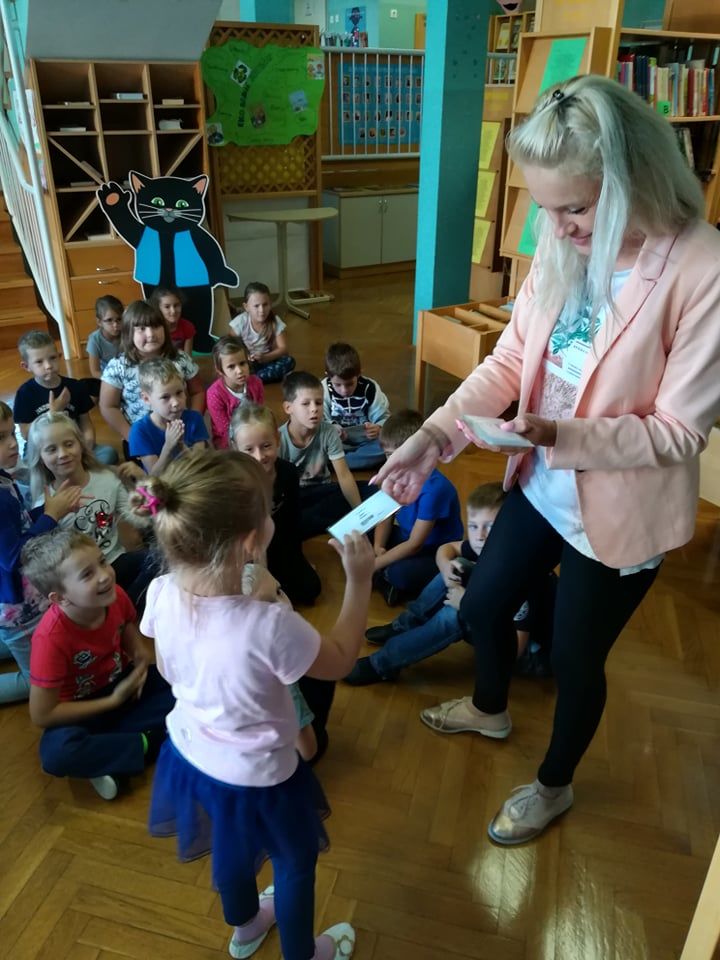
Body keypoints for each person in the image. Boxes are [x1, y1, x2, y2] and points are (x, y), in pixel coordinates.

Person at [373, 74, 720, 846]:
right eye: (544, 207)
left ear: (635, 179)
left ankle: (554, 785)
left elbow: (677, 433)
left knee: (573, 657)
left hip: (619, 512)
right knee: (482, 606)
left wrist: (560, 435)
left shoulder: (702, 268)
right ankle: (490, 710)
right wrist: (434, 434)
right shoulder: (562, 243)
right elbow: (508, 361)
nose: (555, 228)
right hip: (539, 482)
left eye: (576, 208)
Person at [128, 447, 375, 960]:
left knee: (231, 848)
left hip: (190, 757)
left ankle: (244, 928)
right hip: (261, 777)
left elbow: (173, 660)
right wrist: (359, 579)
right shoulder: (270, 625)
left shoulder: (160, 591)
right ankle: (301, 953)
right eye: (267, 509)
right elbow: (340, 659)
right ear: (251, 539)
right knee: (295, 862)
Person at [22, 529, 173, 801]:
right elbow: (42, 715)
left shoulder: (114, 595)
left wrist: (140, 658)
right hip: (82, 709)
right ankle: (152, 739)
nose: (105, 575)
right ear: (60, 598)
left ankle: (114, 753)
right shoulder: (49, 639)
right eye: (87, 574)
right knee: (57, 753)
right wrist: (113, 701)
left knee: (182, 682)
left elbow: (127, 628)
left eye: (102, 562)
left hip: (123, 685)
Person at [231, 404, 330, 762]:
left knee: (310, 588)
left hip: (280, 545)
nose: (260, 456)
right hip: (248, 557)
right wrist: (263, 576)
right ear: (235, 448)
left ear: (277, 440)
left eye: (266, 446)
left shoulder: (286, 472)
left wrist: (296, 561)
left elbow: (291, 524)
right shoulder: (236, 485)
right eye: (249, 449)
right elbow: (244, 544)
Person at [26, 412, 155, 614]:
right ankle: (116, 611)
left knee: (159, 559)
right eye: (51, 449)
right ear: (40, 458)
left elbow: (143, 519)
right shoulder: (43, 504)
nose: (62, 454)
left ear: (81, 444)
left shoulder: (106, 479)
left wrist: (141, 485)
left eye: (69, 444)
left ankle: (118, 610)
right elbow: (48, 563)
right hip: (80, 579)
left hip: (113, 561)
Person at [0, 401, 81, 704]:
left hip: (24, 601)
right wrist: (51, 516)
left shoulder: (4, 479)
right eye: (1, 438)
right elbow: (13, 557)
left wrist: (46, 512)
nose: (13, 444)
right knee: (44, 682)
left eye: (11, 434)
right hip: (18, 610)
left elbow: (18, 528)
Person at [373, 410, 463, 604]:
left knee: (400, 574)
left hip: (434, 551)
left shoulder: (434, 488)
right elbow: (385, 516)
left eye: (395, 455)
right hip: (407, 537)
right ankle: (384, 578)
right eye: (387, 455)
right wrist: (378, 547)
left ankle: (388, 579)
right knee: (361, 534)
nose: (391, 462)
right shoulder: (393, 475)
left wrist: (376, 563)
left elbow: (416, 544)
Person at [99, 300, 205, 452]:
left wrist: (193, 425)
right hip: (141, 440)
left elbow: (197, 391)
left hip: (181, 435)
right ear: (129, 333)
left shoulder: (180, 358)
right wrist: (133, 438)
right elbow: (108, 406)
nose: (150, 334)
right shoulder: (118, 366)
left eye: (156, 326)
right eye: (141, 329)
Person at [279, 371, 364, 540]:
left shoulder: (328, 432)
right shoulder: (278, 439)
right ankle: (327, 524)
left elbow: (344, 476)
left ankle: (327, 523)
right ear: (288, 408)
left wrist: (360, 513)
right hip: (296, 496)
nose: (314, 409)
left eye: (318, 402)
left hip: (323, 491)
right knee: (289, 520)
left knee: (371, 490)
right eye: (306, 404)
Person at [14, 330, 118, 465]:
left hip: (72, 446)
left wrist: (87, 447)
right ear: (26, 366)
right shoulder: (25, 393)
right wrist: (53, 412)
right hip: (41, 450)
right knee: (29, 466)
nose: (48, 366)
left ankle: (70, 469)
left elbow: (86, 424)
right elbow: (25, 434)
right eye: (39, 362)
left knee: (108, 454)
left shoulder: (75, 386)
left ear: (59, 356)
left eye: (52, 358)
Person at [128, 359, 209, 475]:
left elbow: (199, 465)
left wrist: (181, 445)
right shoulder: (139, 430)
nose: (176, 403)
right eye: (165, 397)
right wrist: (169, 446)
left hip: (192, 480)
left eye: (179, 392)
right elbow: (154, 475)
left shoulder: (194, 419)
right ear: (146, 399)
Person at [322, 341, 390, 470]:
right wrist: (332, 428)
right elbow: (320, 420)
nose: (344, 390)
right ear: (328, 375)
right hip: (336, 443)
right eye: (337, 385)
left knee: (389, 444)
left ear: (359, 375)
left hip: (367, 441)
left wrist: (379, 427)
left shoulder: (371, 389)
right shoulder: (323, 390)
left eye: (349, 384)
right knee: (313, 444)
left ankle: (337, 463)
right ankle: (347, 462)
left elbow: (384, 417)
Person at [229, 281, 295, 383]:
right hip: (247, 363)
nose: (261, 310)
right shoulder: (239, 323)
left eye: (265, 305)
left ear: (270, 304)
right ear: (246, 307)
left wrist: (265, 357)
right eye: (256, 306)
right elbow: (230, 346)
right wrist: (246, 356)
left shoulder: (275, 322)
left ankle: (253, 379)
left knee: (289, 361)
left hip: (268, 360)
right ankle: (260, 377)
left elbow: (283, 349)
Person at [207, 336, 264, 449]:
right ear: (220, 370)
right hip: (228, 439)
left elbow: (260, 412)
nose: (239, 371)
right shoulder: (214, 394)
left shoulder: (256, 383)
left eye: (242, 363)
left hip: (254, 431)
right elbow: (224, 429)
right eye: (231, 367)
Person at [85, 295, 123, 397]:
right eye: (109, 320)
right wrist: (113, 381)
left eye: (119, 319)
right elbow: (95, 371)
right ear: (99, 322)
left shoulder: (127, 334)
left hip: (125, 375)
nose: (115, 325)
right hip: (105, 377)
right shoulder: (94, 340)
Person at [149, 286, 196, 354]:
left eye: (176, 305)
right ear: (158, 308)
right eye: (167, 307)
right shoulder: (154, 329)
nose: (173, 311)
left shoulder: (187, 327)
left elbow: (187, 356)